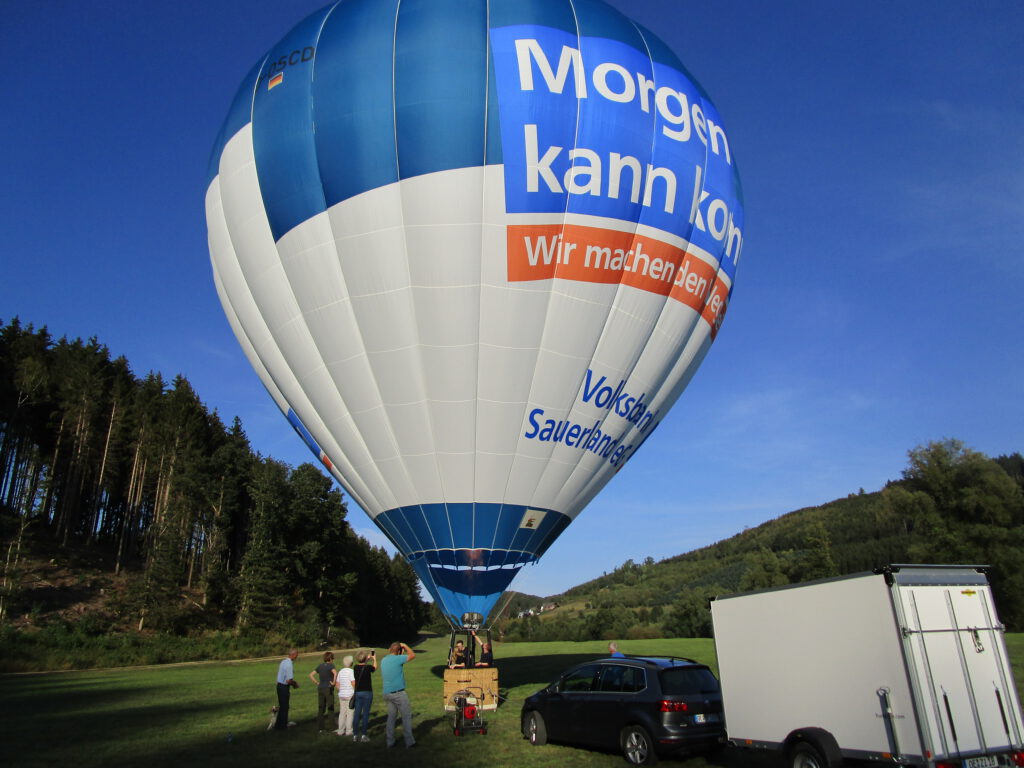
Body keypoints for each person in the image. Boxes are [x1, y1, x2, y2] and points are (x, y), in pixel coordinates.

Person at [380, 641, 416, 748]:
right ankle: (409, 742)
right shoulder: (398, 659)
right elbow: (412, 655)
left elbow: (394, 658)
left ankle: (390, 741)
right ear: (399, 651)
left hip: (387, 693)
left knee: (391, 717)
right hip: (398, 693)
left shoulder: (384, 660)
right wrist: (405, 645)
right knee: (406, 716)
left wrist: (398, 650)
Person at [351, 649, 377, 742]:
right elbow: (374, 668)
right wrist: (374, 659)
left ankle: (355, 735)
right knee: (365, 714)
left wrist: (366, 659)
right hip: (367, 692)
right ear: (365, 658)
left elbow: (362, 664)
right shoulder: (368, 667)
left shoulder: (355, 668)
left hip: (358, 692)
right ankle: (364, 735)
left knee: (357, 714)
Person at [309, 651, 336, 732]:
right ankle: (332, 727)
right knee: (330, 708)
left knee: (321, 708)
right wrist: (333, 682)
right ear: (330, 659)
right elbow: (335, 673)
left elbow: (311, 675)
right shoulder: (331, 665)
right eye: (332, 658)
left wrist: (317, 682)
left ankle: (321, 727)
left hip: (320, 688)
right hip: (328, 688)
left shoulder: (320, 666)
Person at [275, 648, 300, 729]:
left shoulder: (283, 661)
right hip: (284, 687)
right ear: (293, 655)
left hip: (279, 686)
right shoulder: (289, 664)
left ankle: (279, 725)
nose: (297, 656)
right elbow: (289, 680)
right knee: (285, 707)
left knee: (282, 706)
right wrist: (295, 684)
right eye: (296, 654)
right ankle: (282, 726)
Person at [335, 655, 356, 737]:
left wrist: (341, 690)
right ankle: (349, 731)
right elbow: (353, 683)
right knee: (350, 713)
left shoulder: (340, 671)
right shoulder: (351, 672)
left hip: (341, 694)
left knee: (342, 713)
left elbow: (337, 684)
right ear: (351, 663)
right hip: (349, 694)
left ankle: (340, 730)